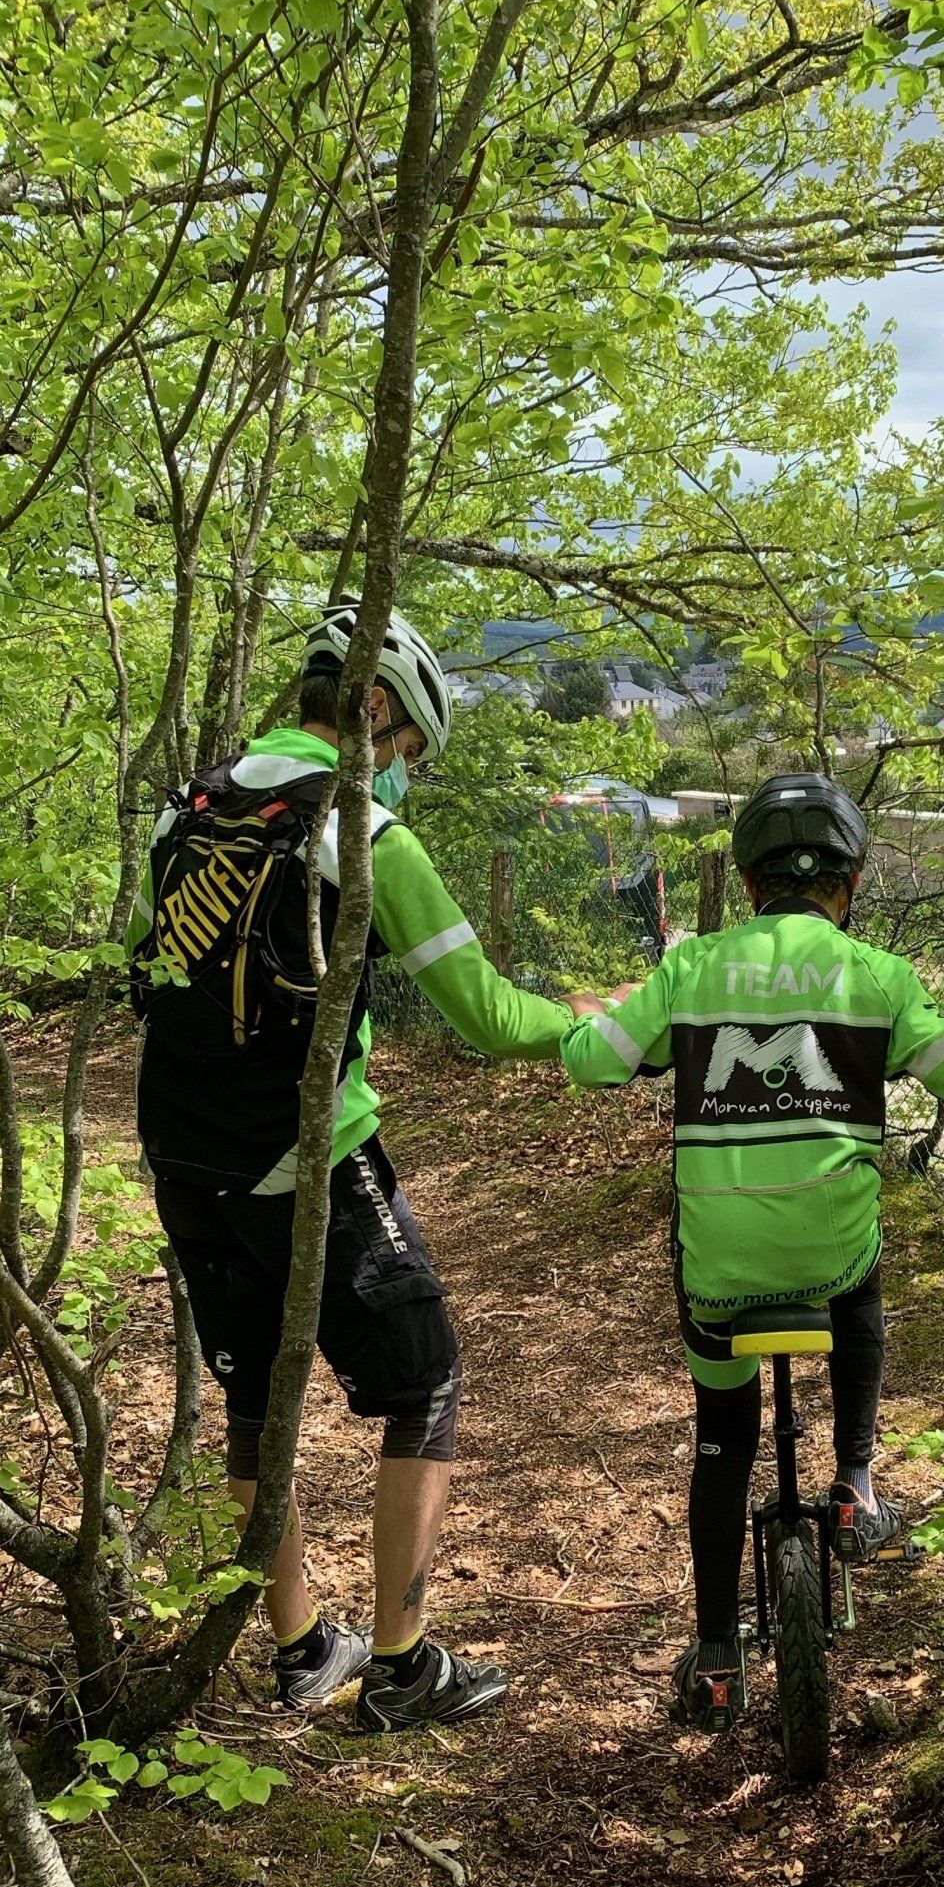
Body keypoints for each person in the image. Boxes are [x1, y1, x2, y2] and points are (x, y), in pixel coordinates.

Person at [560, 773, 944, 1732]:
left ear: (749, 885)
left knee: (722, 1438)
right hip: (829, 1260)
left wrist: (602, 1013)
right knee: (862, 1268)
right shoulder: (879, 978)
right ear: (850, 884)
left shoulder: (691, 970)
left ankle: (716, 1656)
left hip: (720, 1277)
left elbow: (590, 1063)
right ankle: (857, 1483)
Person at [128, 600, 591, 1731]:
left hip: (182, 1152)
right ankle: (401, 1663)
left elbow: (153, 970)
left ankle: (301, 1649)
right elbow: (488, 1016)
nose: (405, 773)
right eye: (410, 749)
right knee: (424, 1379)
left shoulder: (188, 809)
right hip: (308, 1156)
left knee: (253, 1395)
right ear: (377, 708)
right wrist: (589, 1022)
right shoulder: (368, 835)